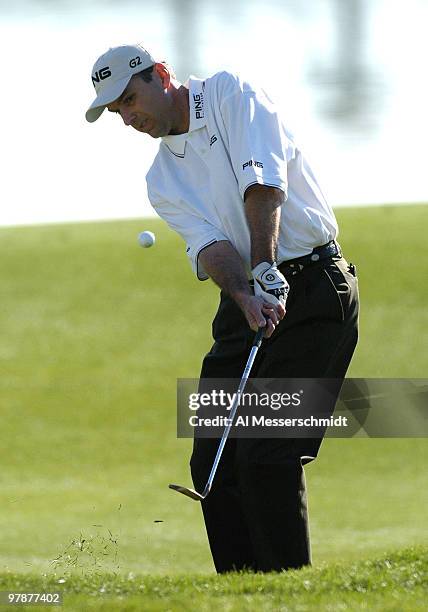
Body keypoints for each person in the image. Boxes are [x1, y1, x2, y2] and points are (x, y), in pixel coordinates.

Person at [85, 43, 359, 573]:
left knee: (265, 454)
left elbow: (263, 185)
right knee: (211, 453)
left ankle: (284, 589)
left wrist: (265, 269)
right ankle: (241, 591)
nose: (127, 116)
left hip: (315, 289)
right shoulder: (161, 181)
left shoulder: (232, 94)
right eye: (116, 110)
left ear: (161, 75)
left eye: (129, 99)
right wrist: (245, 292)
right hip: (247, 301)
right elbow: (211, 247)